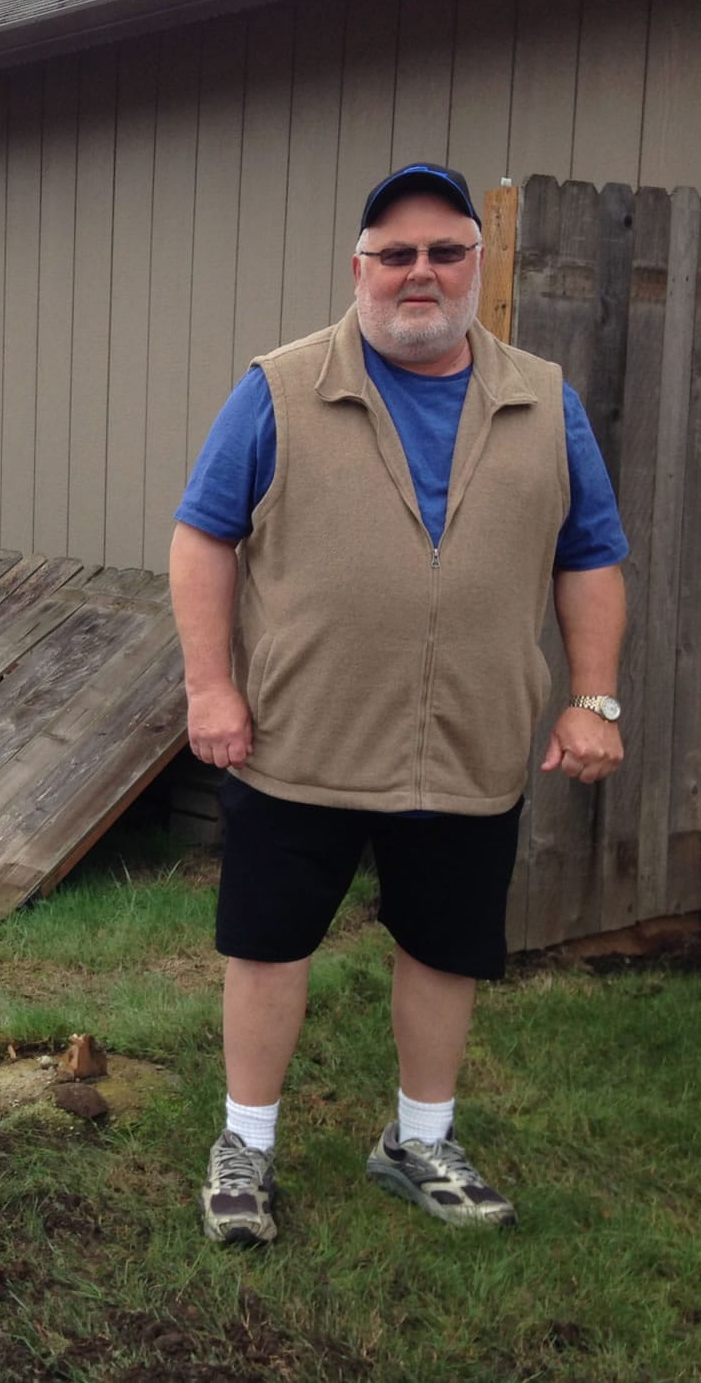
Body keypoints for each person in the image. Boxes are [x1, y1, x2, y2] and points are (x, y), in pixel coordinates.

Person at [169, 162, 629, 1242]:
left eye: (443, 251)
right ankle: (246, 1145)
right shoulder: (278, 387)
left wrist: (592, 700)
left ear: (477, 264)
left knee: (444, 949)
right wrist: (209, 686)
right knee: (268, 945)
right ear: (358, 269)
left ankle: (417, 1139)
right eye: (394, 254)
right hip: (300, 736)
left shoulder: (541, 399)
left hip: (467, 740)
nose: (418, 273)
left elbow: (591, 554)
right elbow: (203, 536)